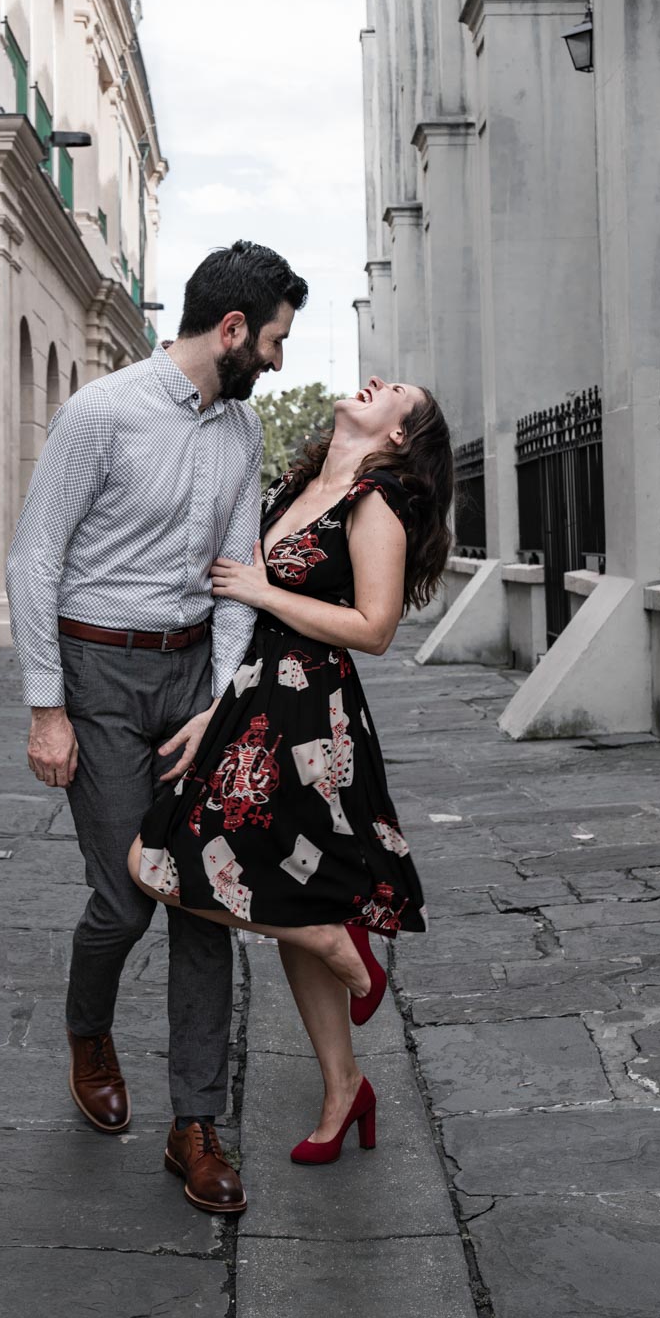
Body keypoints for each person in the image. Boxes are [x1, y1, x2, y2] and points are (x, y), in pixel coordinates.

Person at [6, 240, 308, 1218]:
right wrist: (46, 707)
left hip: (190, 673)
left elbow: (232, 574)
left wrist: (219, 698)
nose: (276, 360)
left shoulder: (241, 431)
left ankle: (195, 1126)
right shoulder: (101, 412)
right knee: (126, 897)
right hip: (95, 671)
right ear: (229, 329)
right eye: (271, 341)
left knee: (205, 897)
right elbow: (34, 559)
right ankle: (87, 1030)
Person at [130, 375, 452, 1166]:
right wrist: (218, 705)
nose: (378, 381)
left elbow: (372, 629)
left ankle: (336, 1000)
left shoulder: (375, 502)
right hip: (253, 696)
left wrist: (261, 589)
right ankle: (344, 1063)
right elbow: (249, 615)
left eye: (397, 391)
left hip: (310, 717)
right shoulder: (298, 485)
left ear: (400, 436)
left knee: (157, 860)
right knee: (201, 874)